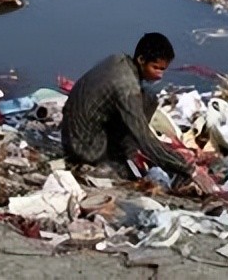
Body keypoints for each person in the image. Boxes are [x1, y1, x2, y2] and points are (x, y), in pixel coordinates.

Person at [62, 32, 214, 193]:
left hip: (75, 132)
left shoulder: (118, 61)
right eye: (155, 68)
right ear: (141, 60)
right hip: (84, 147)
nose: (159, 75)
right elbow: (145, 139)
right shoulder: (125, 86)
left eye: (163, 70)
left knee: (148, 100)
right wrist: (190, 170)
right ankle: (120, 159)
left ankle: (125, 153)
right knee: (131, 165)